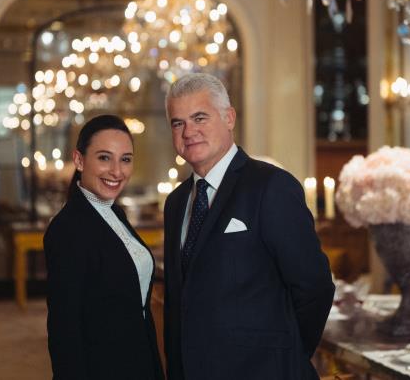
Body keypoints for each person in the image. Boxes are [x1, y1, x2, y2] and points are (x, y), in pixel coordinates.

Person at [163, 74, 335, 380]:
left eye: (199, 117)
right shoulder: (176, 203)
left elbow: (314, 287)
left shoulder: (271, 186)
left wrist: (286, 355)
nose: (189, 131)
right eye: (178, 123)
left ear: (229, 117)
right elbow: (180, 302)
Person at [44, 114, 163, 380]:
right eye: (104, 157)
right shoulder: (66, 230)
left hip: (139, 361)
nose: (117, 171)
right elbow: (65, 330)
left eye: (126, 159)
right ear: (78, 159)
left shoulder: (114, 213)